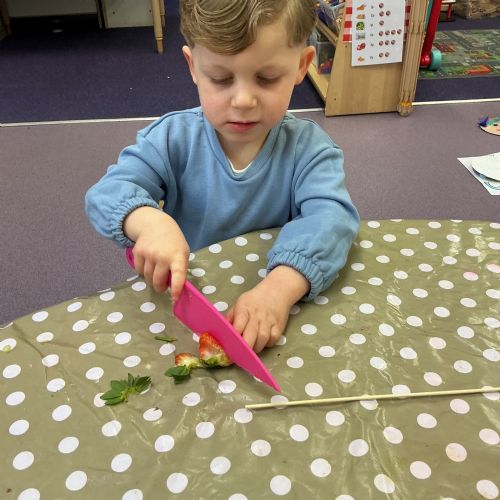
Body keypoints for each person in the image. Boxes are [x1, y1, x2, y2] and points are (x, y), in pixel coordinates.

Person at [85, 0, 360, 353]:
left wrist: (279, 289)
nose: (243, 100)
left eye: (267, 78)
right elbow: (108, 192)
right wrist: (149, 223)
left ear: (301, 66)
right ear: (193, 67)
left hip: (274, 308)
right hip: (184, 307)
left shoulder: (310, 150)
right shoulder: (171, 139)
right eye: (221, 78)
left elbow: (332, 220)